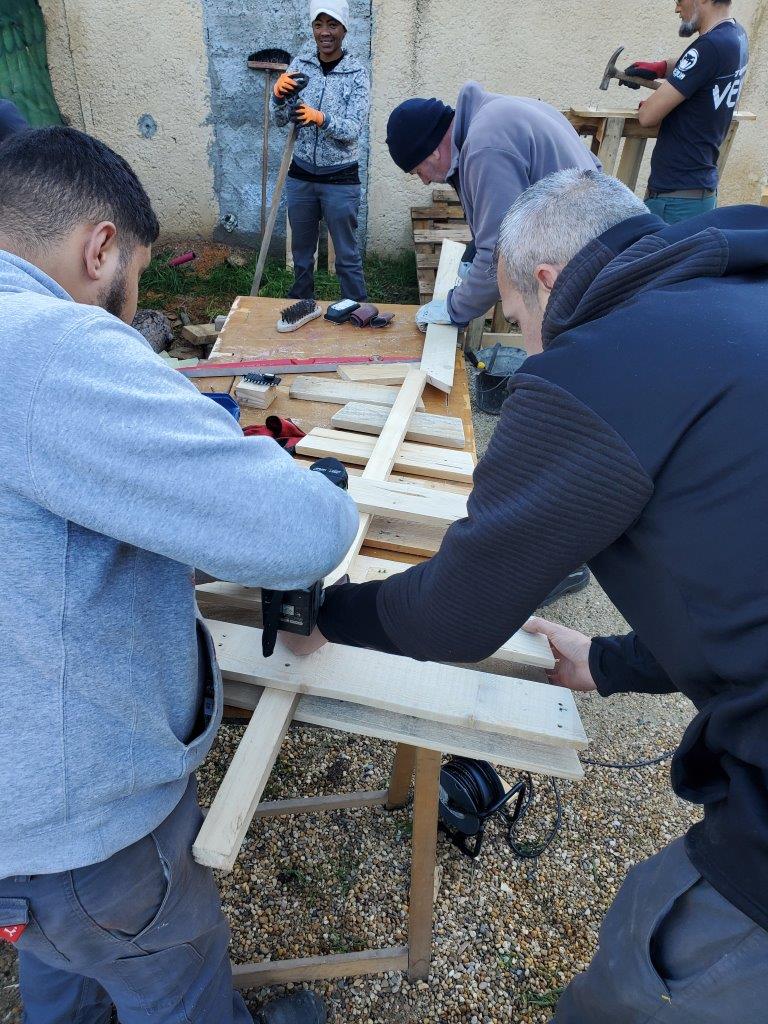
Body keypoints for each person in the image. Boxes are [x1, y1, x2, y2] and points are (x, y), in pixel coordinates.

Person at [298, 168, 768, 1021]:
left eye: (515, 319)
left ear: (547, 282)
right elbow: (739, 583)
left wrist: (329, 613)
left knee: (643, 978)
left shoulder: (600, 366)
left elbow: (456, 614)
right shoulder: (737, 293)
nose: (525, 342)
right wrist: (612, 662)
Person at [0, 125, 358, 1024]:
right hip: (87, 832)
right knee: (175, 985)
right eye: (138, 284)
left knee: (54, 963)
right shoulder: (52, 344)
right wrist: (309, 492)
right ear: (100, 247)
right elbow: (299, 531)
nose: (130, 310)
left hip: (17, 838)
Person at [384, 82, 601, 331]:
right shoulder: (498, 112)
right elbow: (594, 168)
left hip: (581, 271)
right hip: (598, 246)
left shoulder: (484, 147)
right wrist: (477, 246)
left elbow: (501, 255)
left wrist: (455, 308)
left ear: (432, 152)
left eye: (417, 171)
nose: (424, 180)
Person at [272, 0, 369, 302]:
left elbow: (353, 130)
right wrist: (278, 99)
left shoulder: (356, 74)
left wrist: (321, 118)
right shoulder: (300, 65)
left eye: (332, 25)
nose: (325, 32)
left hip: (340, 178)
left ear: (344, 29)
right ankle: (302, 306)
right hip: (301, 176)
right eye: (318, 24)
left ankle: (356, 307)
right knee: (301, 255)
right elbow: (279, 121)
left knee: (347, 256)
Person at [622, 0, 748, 224]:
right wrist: (661, 67)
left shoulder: (709, 46)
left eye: (679, 1)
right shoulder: (736, 36)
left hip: (675, 202)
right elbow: (702, 68)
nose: (677, 8)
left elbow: (647, 116)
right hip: (699, 194)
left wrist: (651, 104)